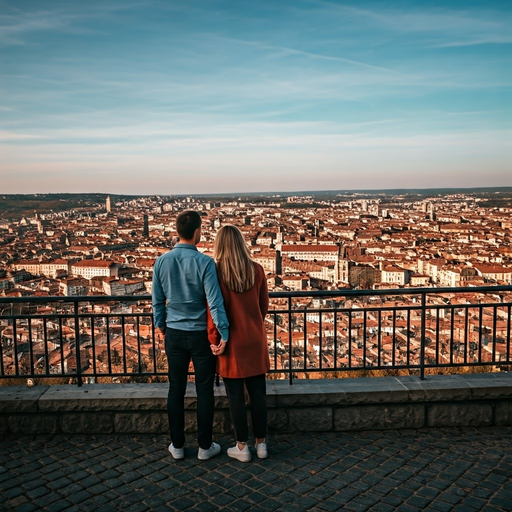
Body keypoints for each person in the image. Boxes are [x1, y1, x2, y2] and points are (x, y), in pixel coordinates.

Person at [152, 210, 229, 461]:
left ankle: (176, 445)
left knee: (176, 389)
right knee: (204, 390)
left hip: (174, 333)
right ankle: (205, 447)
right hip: (200, 336)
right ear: (197, 232)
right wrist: (224, 334)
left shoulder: (161, 262)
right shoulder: (206, 263)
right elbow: (215, 303)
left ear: (177, 231)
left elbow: (157, 301)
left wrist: (161, 324)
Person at [208, 225, 270, 462]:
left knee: (235, 396)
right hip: (254, 338)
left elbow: (213, 310)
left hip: (230, 341)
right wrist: (254, 324)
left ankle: (242, 447)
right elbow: (263, 306)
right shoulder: (257, 269)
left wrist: (215, 339)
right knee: (258, 395)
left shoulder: (217, 273)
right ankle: (261, 444)